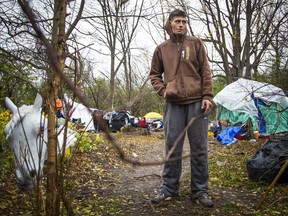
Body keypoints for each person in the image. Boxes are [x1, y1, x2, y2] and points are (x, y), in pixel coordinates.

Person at [149, 9, 213, 207]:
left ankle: (200, 192)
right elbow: (154, 75)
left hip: (197, 103)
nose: (181, 25)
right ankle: (169, 190)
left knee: (200, 148)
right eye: (177, 21)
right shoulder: (162, 49)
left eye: (184, 22)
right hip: (173, 105)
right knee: (172, 148)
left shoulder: (196, 44)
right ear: (169, 23)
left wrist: (207, 95)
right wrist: (163, 91)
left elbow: (205, 70)